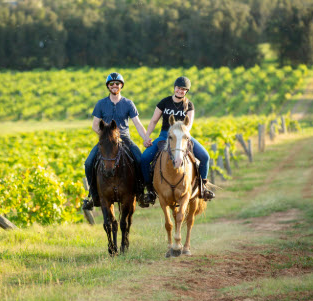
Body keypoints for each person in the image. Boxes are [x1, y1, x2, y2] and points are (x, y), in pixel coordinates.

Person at [140, 76, 215, 205]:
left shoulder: (189, 105)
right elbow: (153, 121)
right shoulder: (164, 102)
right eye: (179, 88)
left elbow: (189, 124)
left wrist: (183, 135)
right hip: (165, 135)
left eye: (183, 89)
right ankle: (150, 190)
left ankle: (202, 188)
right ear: (174, 88)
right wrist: (147, 136)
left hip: (183, 136)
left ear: (186, 91)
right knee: (144, 158)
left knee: (205, 156)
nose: (180, 91)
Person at [82, 72, 149, 211]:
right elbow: (95, 125)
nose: (114, 86)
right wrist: (106, 137)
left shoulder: (128, 103)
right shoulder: (101, 104)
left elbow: (137, 124)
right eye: (111, 84)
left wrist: (146, 138)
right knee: (88, 162)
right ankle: (93, 195)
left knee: (140, 159)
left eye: (117, 84)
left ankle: (141, 193)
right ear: (108, 86)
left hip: (124, 139)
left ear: (121, 86)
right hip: (106, 141)